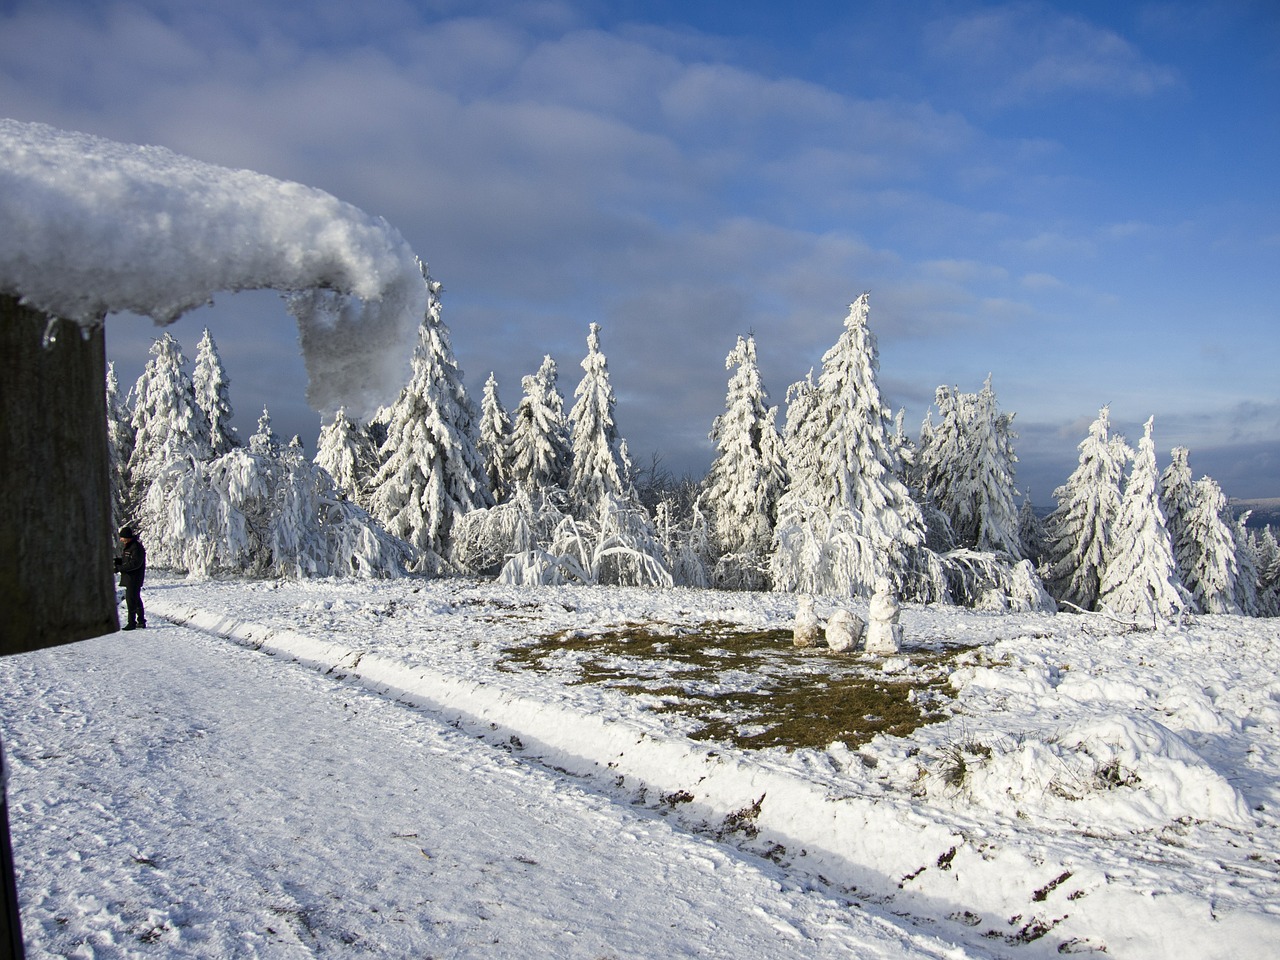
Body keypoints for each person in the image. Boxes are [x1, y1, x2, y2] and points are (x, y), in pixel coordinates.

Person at [114, 526, 146, 630]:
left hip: (134, 578)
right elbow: (127, 560)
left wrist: (119, 568)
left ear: (127, 537)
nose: (121, 540)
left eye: (122, 537)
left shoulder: (136, 547)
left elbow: (135, 564)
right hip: (130, 578)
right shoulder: (129, 547)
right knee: (135, 599)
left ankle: (132, 623)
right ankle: (141, 621)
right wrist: (118, 561)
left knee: (131, 600)